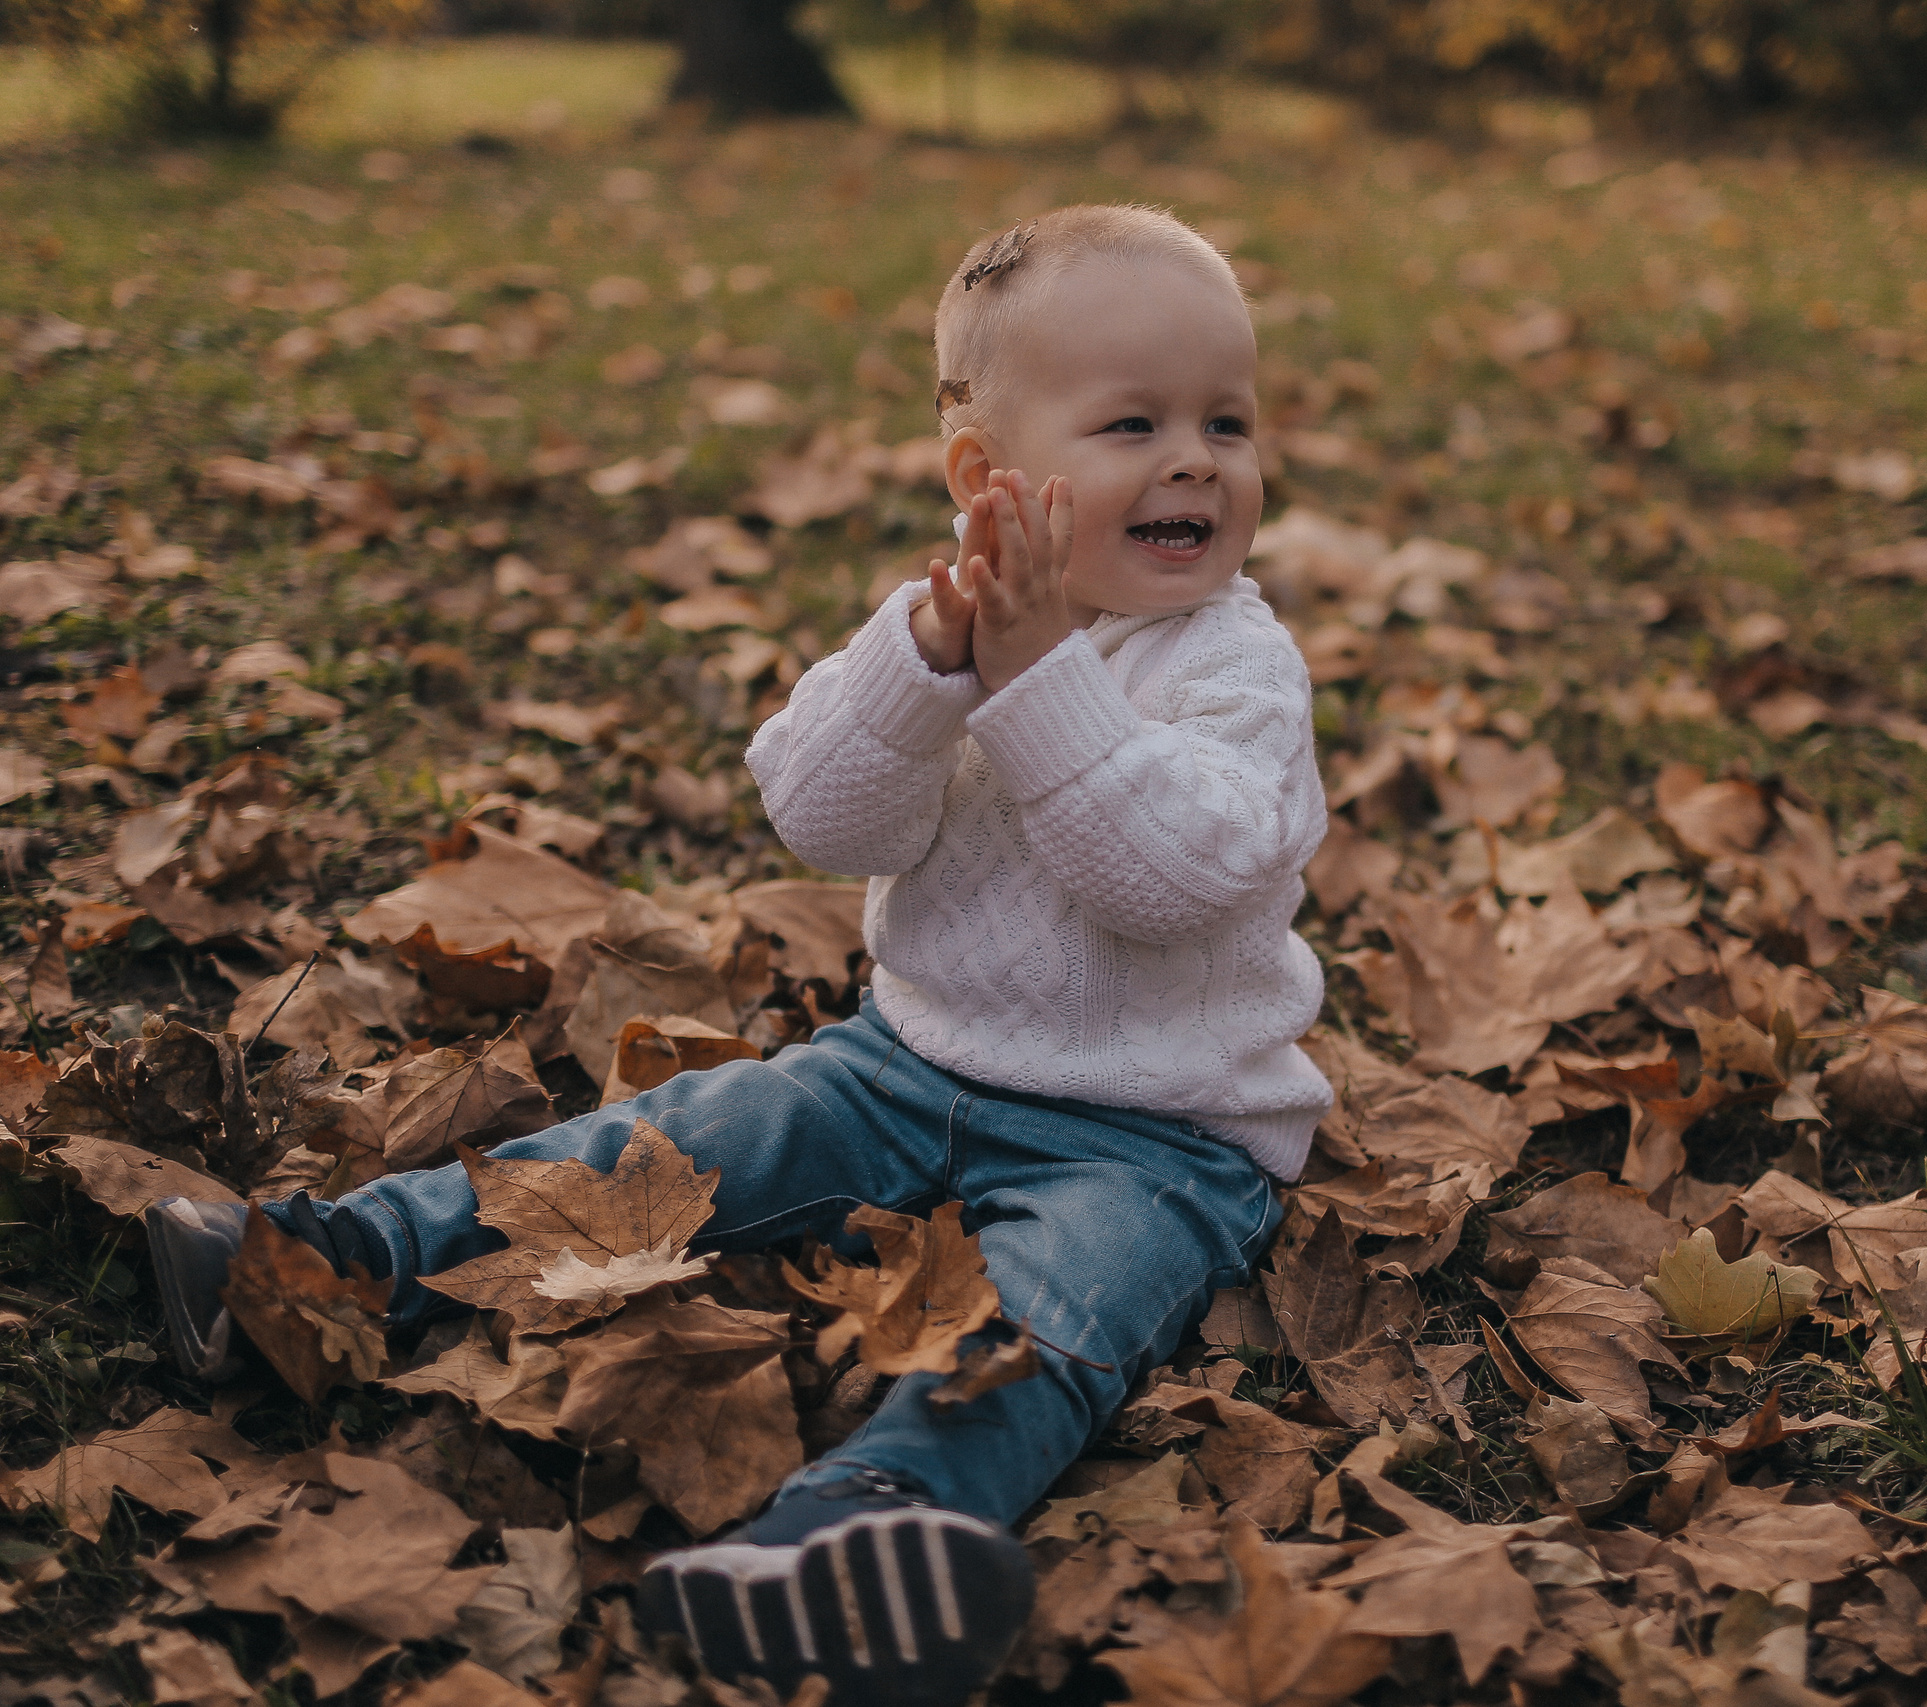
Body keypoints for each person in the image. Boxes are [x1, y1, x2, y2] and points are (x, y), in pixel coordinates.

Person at [146, 205, 1330, 1707]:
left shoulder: (1236, 662)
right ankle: (345, 1255)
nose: (1195, 460)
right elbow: (822, 816)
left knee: (1056, 1310)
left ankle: (868, 1534)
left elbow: (1167, 881)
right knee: (686, 1139)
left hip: (1160, 1133)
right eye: (1134, 423)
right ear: (986, 479)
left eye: (1228, 420)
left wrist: (1034, 685)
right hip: (908, 1066)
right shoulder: (949, 627)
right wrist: (931, 669)